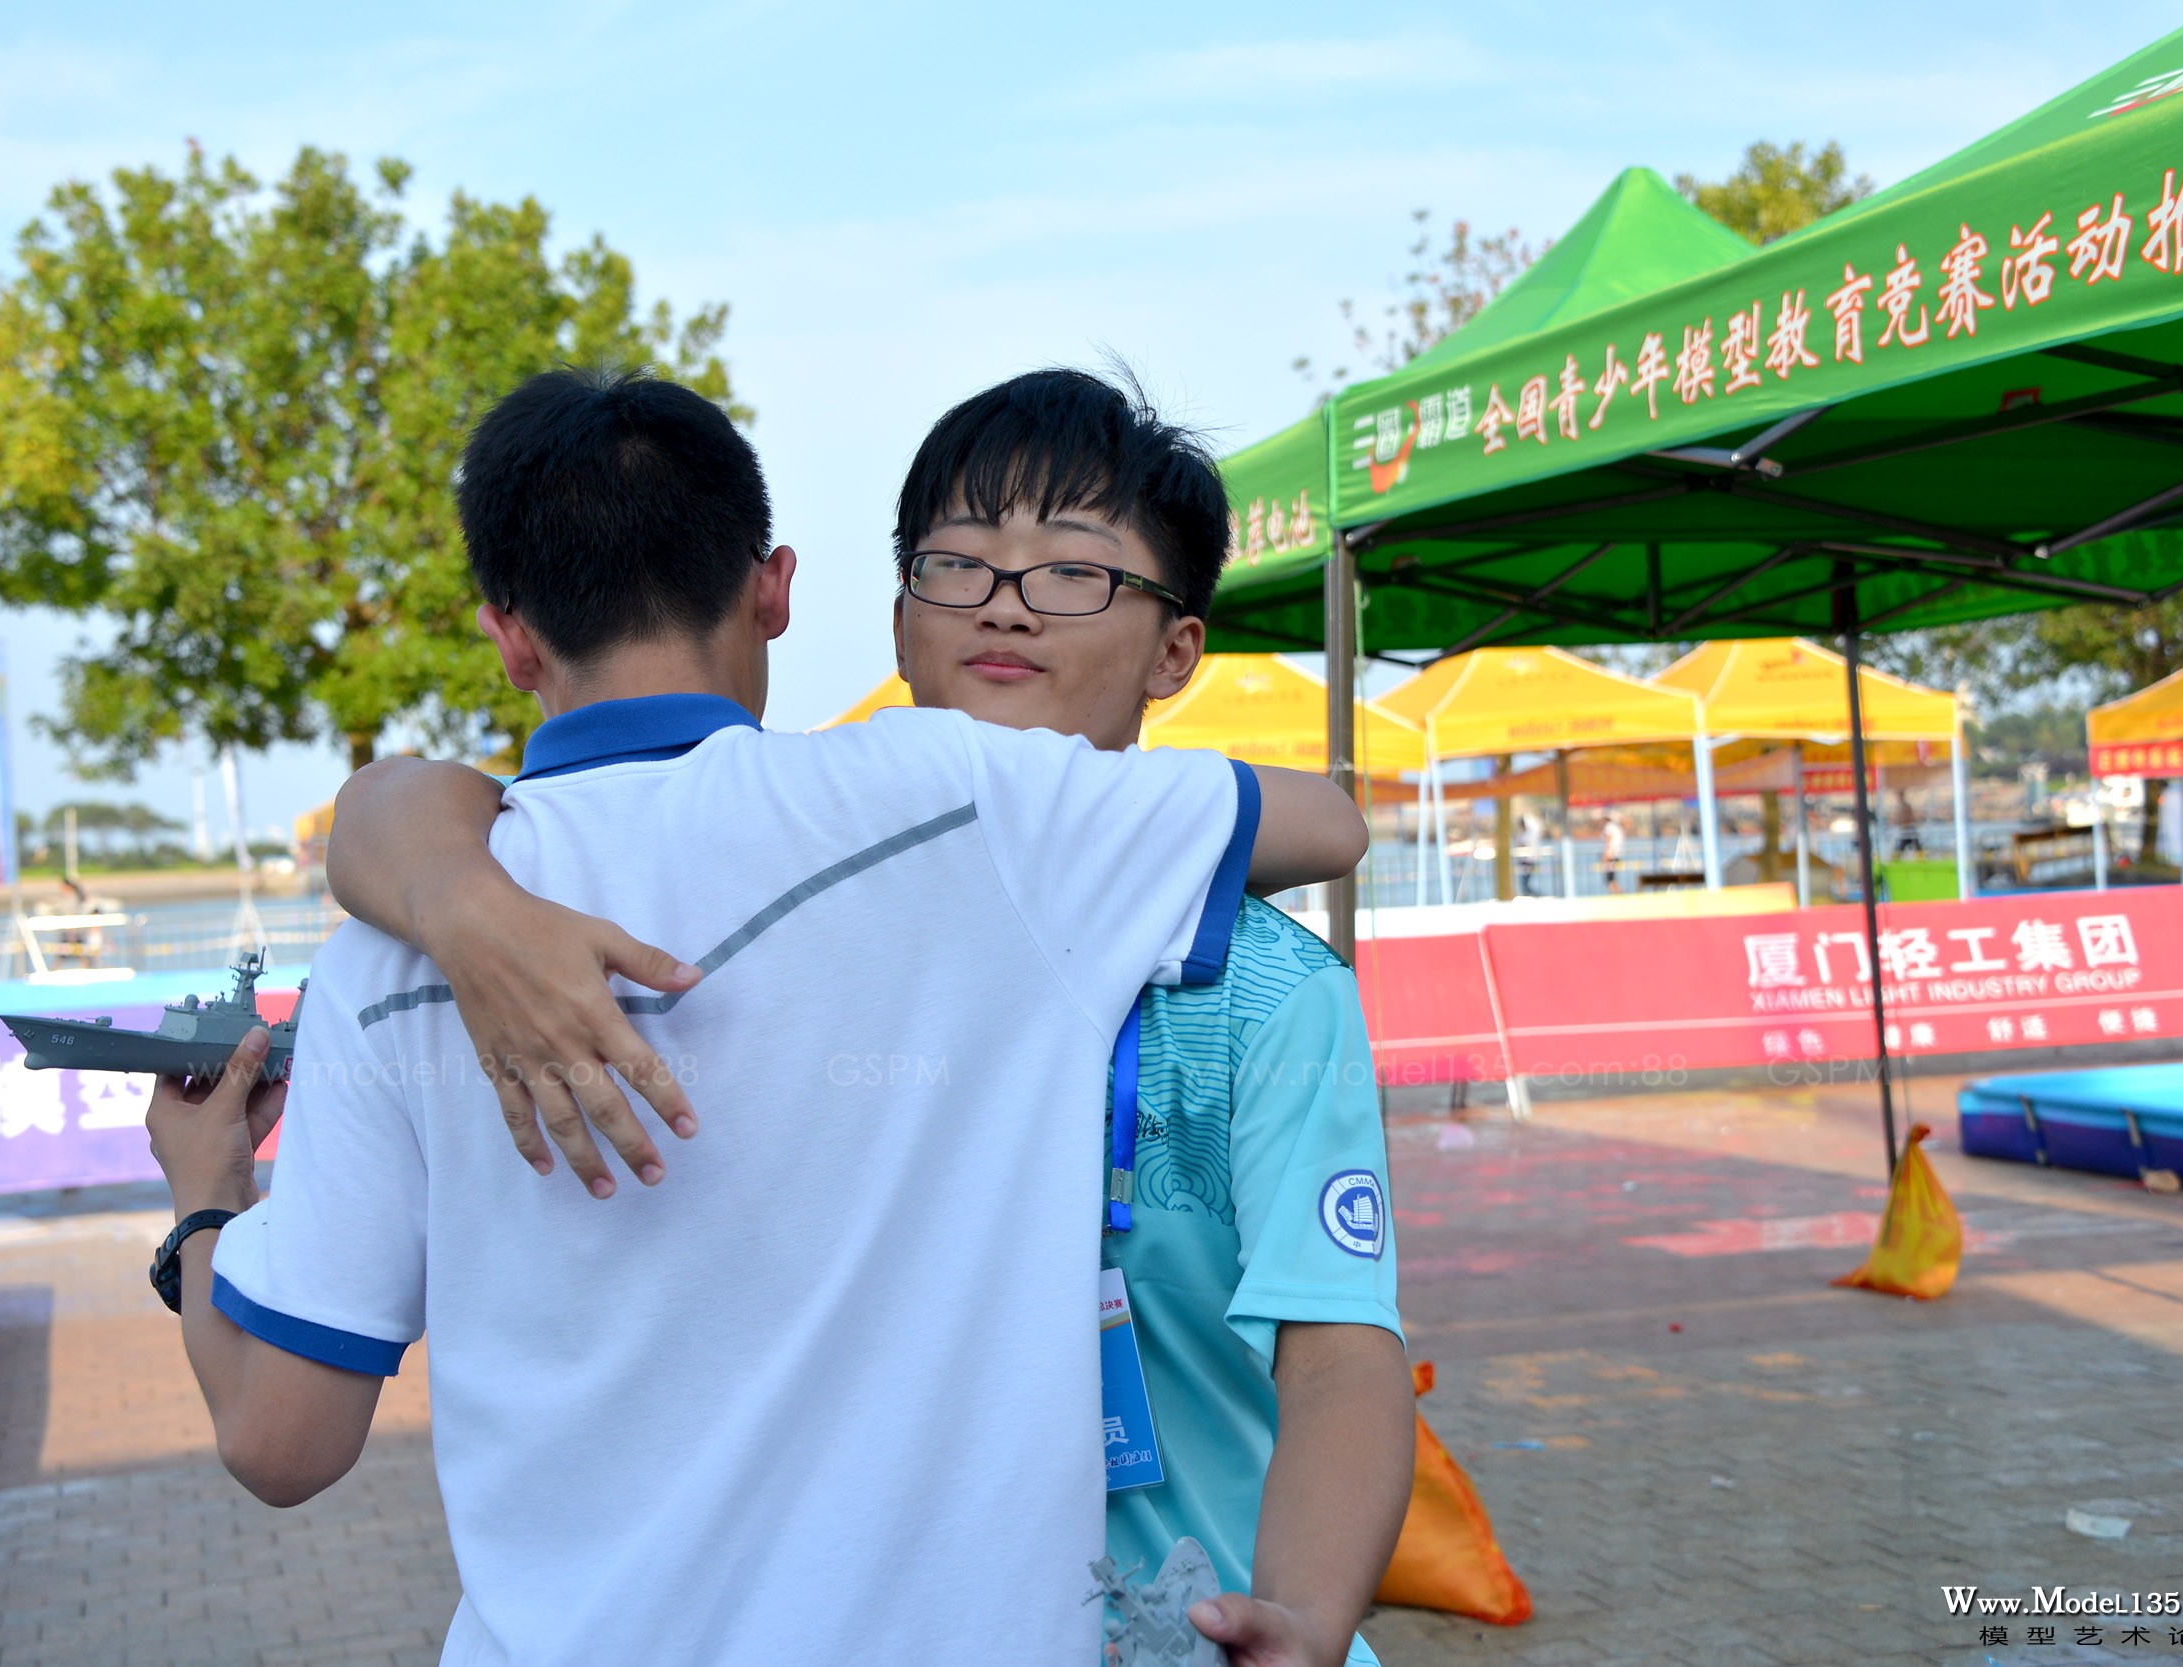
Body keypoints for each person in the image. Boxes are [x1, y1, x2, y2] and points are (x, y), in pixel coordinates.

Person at [143, 366, 1370, 1667]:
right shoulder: (961, 805)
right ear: (775, 588)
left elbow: (279, 1438)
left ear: (507, 630)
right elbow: (1327, 821)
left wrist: (203, 1193)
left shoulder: (381, 960)